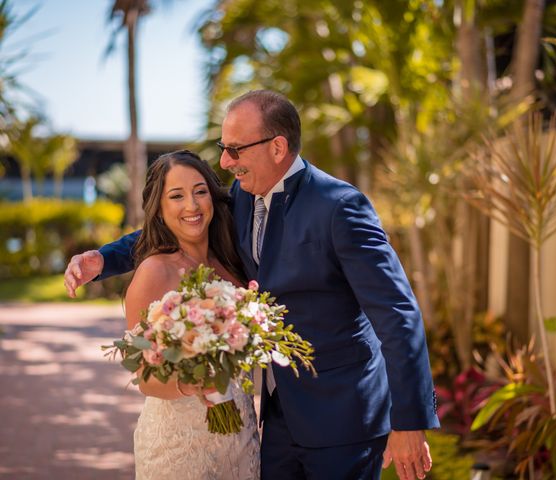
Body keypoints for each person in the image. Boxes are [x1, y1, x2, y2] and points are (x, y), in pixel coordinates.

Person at [64, 90, 440, 480]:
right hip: (276, 420)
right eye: (223, 149)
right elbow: (179, 222)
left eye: (236, 149)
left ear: (277, 147)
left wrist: (410, 420)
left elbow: (397, 313)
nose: (226, 162)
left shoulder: (340, 206)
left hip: (344, 419)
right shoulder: (242, 199)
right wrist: (105, 259)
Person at [115, 150, 260, 479]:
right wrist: (193, 384)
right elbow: (145, 379)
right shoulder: (153, 272)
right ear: (160, 208)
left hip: (239, 437)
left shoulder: (232, 266)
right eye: (176, 196)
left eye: (199, 191)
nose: (192, 206)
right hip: (179, 448)